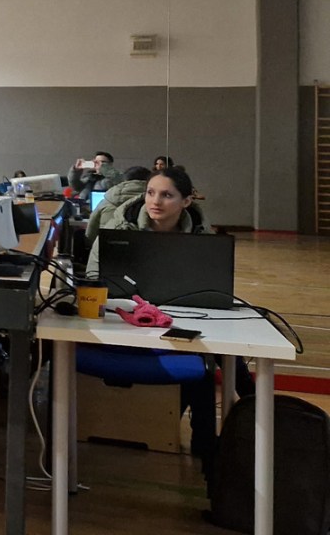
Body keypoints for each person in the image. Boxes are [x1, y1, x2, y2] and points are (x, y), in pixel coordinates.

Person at [85, 168, 243, 481]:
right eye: (151, 193)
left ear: (186, 201)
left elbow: (212, 291)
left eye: (167, 195)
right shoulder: (117, 229)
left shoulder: (203, 238)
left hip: (174, 324)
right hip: (123, 323)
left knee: (207, 360)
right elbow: (94, 279)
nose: (155, 201)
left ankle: (209, 448)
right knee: (205, 362)